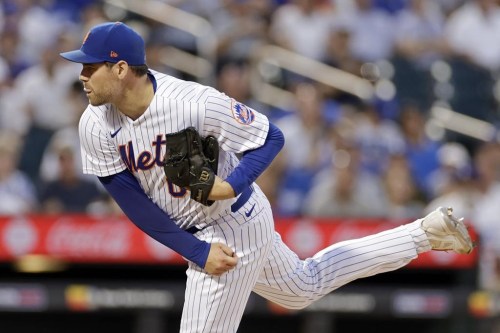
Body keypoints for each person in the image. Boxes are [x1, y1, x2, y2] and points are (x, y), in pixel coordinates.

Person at [60, 21, 474, 333]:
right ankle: (424, 234)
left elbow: (268, 137)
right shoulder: (94, 123)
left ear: (120, 69)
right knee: (302, 288)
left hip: (232, 221)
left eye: (90, 67)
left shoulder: (192, 102)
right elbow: (128, 197)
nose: (81, 75)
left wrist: (229, 185)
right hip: (197, 231)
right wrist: (193, 249)